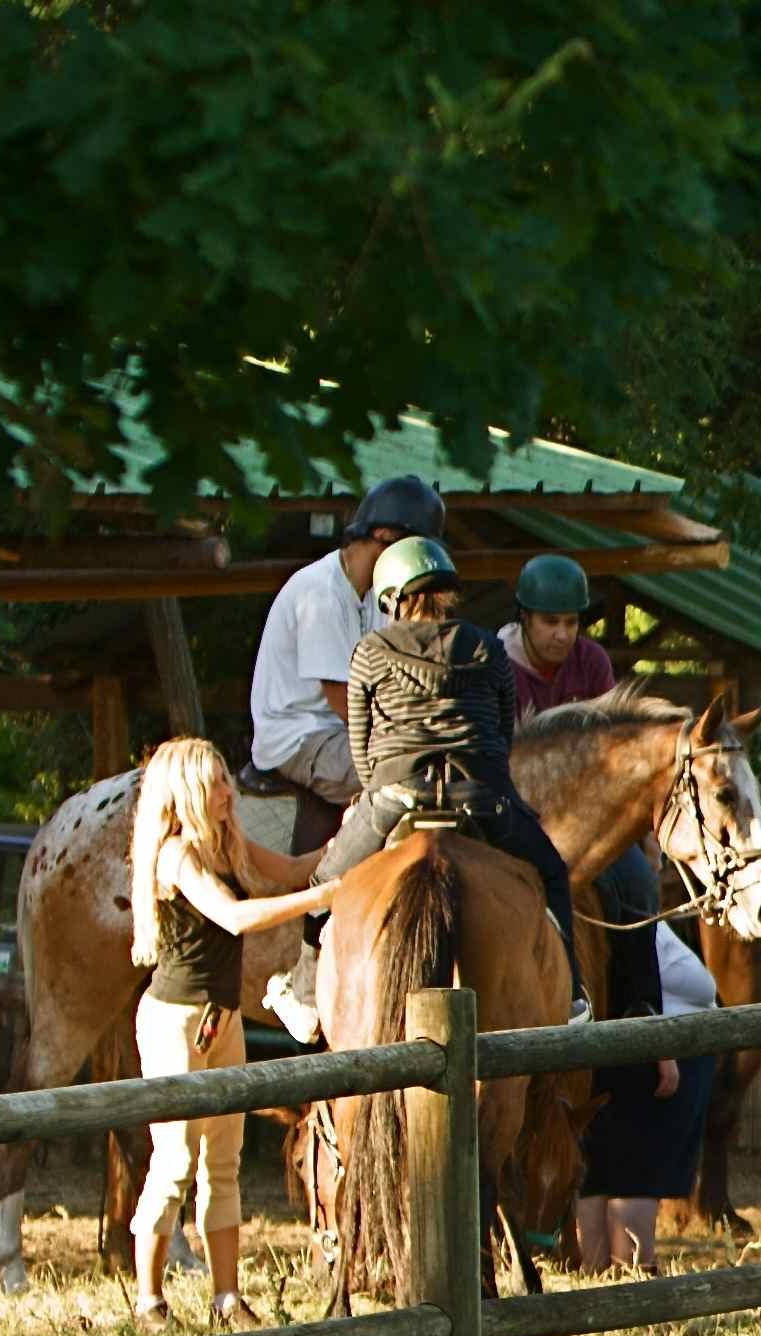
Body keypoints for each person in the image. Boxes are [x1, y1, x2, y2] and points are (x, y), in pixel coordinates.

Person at [284, 537, 613, 1038]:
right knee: (551, 871)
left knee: (320, 888)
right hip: (482, 799)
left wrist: (378, 791)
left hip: (396, 797)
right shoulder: (487, 646)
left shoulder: (370, 651)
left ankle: (305, 994)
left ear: (390, 597)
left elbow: (361, 742)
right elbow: (502, 735)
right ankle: (570, 997)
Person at [126, 738, 336, 1331]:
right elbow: (235, 917)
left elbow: (295, 868)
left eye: (226, 779)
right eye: (216, 782)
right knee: (173, 1162)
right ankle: (149, 1301)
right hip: (175, 1021)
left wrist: (352, 838)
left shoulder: (229, 845)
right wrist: (322, 897)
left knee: (224, 1161)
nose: (228, 791)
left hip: (221, 1017)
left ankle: (226, 1297)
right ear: (187, 792)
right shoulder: (176, 857)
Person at [247, 475, 445, 838]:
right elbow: (344, 702)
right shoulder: (320, 592)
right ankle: (330, 876)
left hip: (339, 730)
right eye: (417, 553)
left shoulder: (376, 594)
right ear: (384, 536)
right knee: (400, 779)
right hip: (301, 736)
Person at [500, 553, 659, 926]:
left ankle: (638, 985)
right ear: (524, 617)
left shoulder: (592, 661)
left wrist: (647, 838)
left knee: (640, 887)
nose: (562, 633)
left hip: (594, 814)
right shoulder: (495, 664)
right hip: (519, 817)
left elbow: (619, 756)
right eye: (550, 621)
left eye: (571, 622)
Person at [577, 918, 722, 1274]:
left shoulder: (618, 902)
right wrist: (659, 1045)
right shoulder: (630, 905)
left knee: (605, 1175)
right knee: (637, 1174)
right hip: (650, 1063)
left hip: (636, 1053)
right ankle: (634, 1281)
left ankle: (598, 1284)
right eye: (655, 856)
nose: (660, 861)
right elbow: (635, 983)